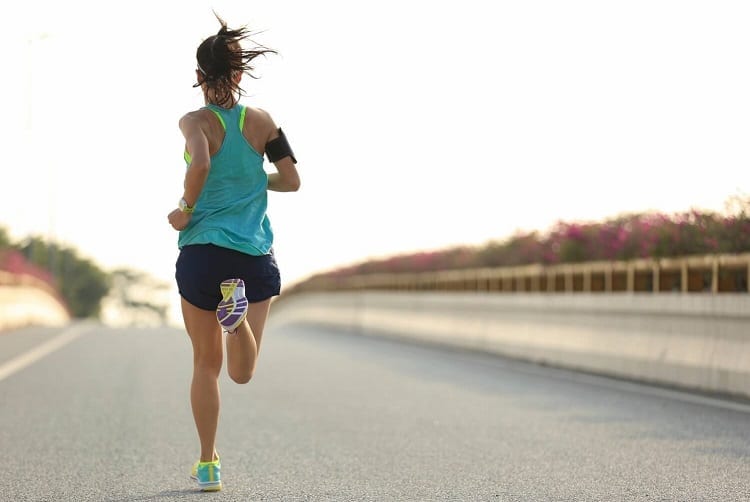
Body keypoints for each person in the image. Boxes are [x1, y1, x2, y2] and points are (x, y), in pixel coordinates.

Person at [168, 14, 300, 492]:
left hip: (203, 252)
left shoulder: (194, 121)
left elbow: (200, 162)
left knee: (207, 365)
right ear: (241, 75)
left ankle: (208, 464)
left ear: (199, 76)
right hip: (252, 257)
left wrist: (185, 208)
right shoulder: (263, 122)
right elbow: (292, 180)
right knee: (243, 371)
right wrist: (252, 181)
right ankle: (237, 319)